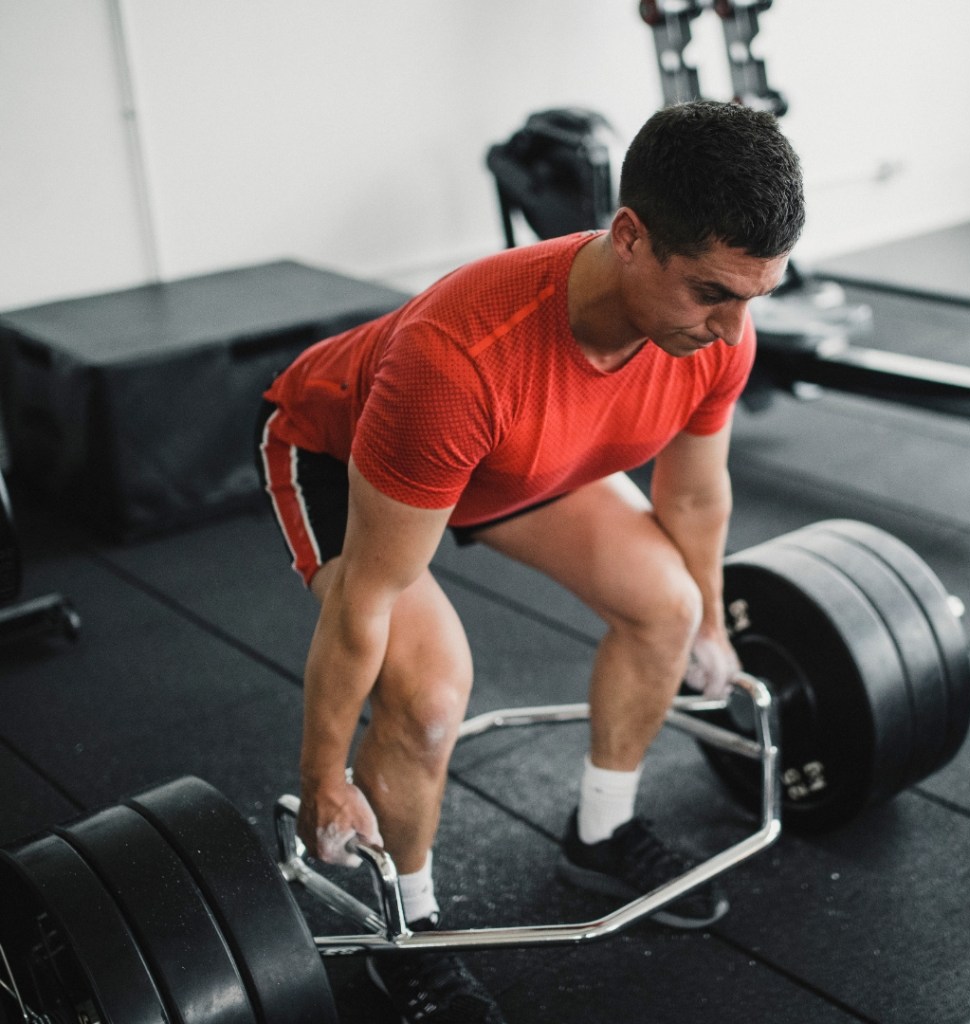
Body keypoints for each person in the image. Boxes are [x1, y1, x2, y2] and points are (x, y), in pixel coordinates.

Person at [256, 99, 804, 1023]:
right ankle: (412, 930)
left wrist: (711, 617)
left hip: (515, 459)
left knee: (665, 605)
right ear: (628, 236)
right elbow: (368, 602)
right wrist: (321, 775)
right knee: (429, 695)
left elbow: (697, 497)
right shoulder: (457, 360)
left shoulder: (721, 331)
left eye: (755, 296)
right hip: (346, 456)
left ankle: (601, 828)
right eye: (712, 293)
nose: (732, 327)